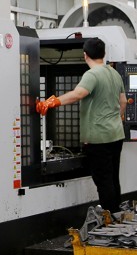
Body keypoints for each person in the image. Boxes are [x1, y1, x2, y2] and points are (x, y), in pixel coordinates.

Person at [36, 38, 127, 213]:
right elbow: (123, 101)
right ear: (104, 54)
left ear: (85, 55)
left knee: (103, 180)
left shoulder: (92, 75)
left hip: (99, 138)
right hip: (116, 135)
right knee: (113, 178)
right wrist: (116, 119)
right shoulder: (114, 73)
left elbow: (78, 94)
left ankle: (110, 218)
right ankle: (116, 214)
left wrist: (52, 102)